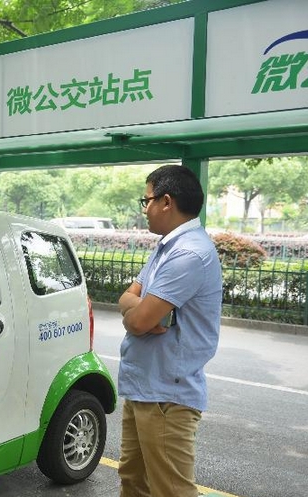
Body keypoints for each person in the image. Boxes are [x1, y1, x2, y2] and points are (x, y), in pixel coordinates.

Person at [117, 164, 223, 497]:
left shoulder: (188, 254)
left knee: (171, 491)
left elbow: (137, 321)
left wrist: (136, 314)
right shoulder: (167, 248)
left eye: (146, 200)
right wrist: (138, 311)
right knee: (133, 481)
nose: (144, 209)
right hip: (146, 388)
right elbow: (128, 298)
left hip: (166, 398)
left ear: (166, 201)